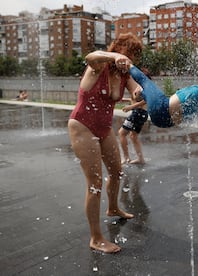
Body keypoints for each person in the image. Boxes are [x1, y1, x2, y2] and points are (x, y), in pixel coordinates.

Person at [67, 33, 142, 253]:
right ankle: (96, 238)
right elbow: (91, 56)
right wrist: (114, 56)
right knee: (95, 183)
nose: (131, 59)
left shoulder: (124, 75)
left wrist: (144, 94)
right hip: (82, 125)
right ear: (118, 50)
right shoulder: (99, 66)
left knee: (117, 172)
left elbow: (138, 91)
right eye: (129, 54)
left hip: (104, 128)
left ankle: (113, 208)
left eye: (135, 56)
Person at [118, 91, 148, 165]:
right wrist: (127, 100)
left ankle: (126, 158)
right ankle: (140, 159)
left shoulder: (140, 87)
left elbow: (146, 100)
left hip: (138, 113)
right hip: (141, 113)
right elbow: (137, 99)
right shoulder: (142, 85)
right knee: (133, 136)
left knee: (121, 133)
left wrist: (131, 106)